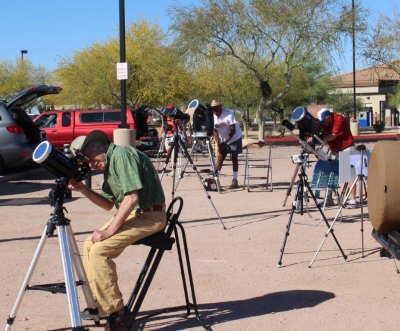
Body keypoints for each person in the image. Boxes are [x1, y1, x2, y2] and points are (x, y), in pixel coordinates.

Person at [68, 130, 166, 330]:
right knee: (88, 244)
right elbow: (108, 204)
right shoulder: (110, 163)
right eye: (85, 161)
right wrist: (84, 189)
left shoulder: (122, 155)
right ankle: (101, 303)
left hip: (150, 215)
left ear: (98, 146)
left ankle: (117, 313)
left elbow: (132, 198)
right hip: (137, 213)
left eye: (89, 158)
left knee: (99, 251)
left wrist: (109, 231)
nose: (90, 164)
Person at [317, 108, 357, 208]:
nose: (323, 123)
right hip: (334, 149)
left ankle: (353, 200)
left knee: (346, 173)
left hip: (346, 147)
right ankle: (329, 199)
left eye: (324, 121)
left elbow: (333, 136)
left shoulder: (339, 119)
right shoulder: (324, 123)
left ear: (328, 118)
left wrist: (320, 141)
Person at [211, 100, 243, 189]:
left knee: (234, 157)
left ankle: (235, 180)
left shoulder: (228, 114)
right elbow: (215, 132)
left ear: (220, 107)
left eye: (216, 108)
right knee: (220, 157)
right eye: (213, 109)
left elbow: (233, 130)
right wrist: (218, 144)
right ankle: (216, 180)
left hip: (234, 138)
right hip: (223, 139)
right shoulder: (212, 117)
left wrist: (225, 142)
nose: (215, 111)